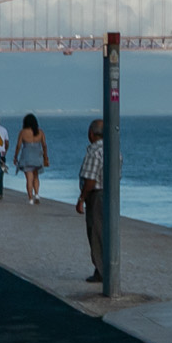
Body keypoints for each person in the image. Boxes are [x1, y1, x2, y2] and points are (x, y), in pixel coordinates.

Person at [74, 118, 109, 284]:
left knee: (95, 232)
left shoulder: (94, 152)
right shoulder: (113, 150)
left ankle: (101, 271)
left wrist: (81, 199)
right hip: (110, 194)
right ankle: (104, 268)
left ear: (91, 133)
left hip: (96, 196)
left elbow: (90, 180)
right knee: (105, 232)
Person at [14, 114, 48, 204]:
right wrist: (45, 157)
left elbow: (18, 146)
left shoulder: (23, 132)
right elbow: (44, 145)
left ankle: (30, 199)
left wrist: (15, 156)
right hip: (37, 156)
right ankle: (37, 194)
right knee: (36, 177)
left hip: (26, 157)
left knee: (29, 178)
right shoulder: (40, 132)